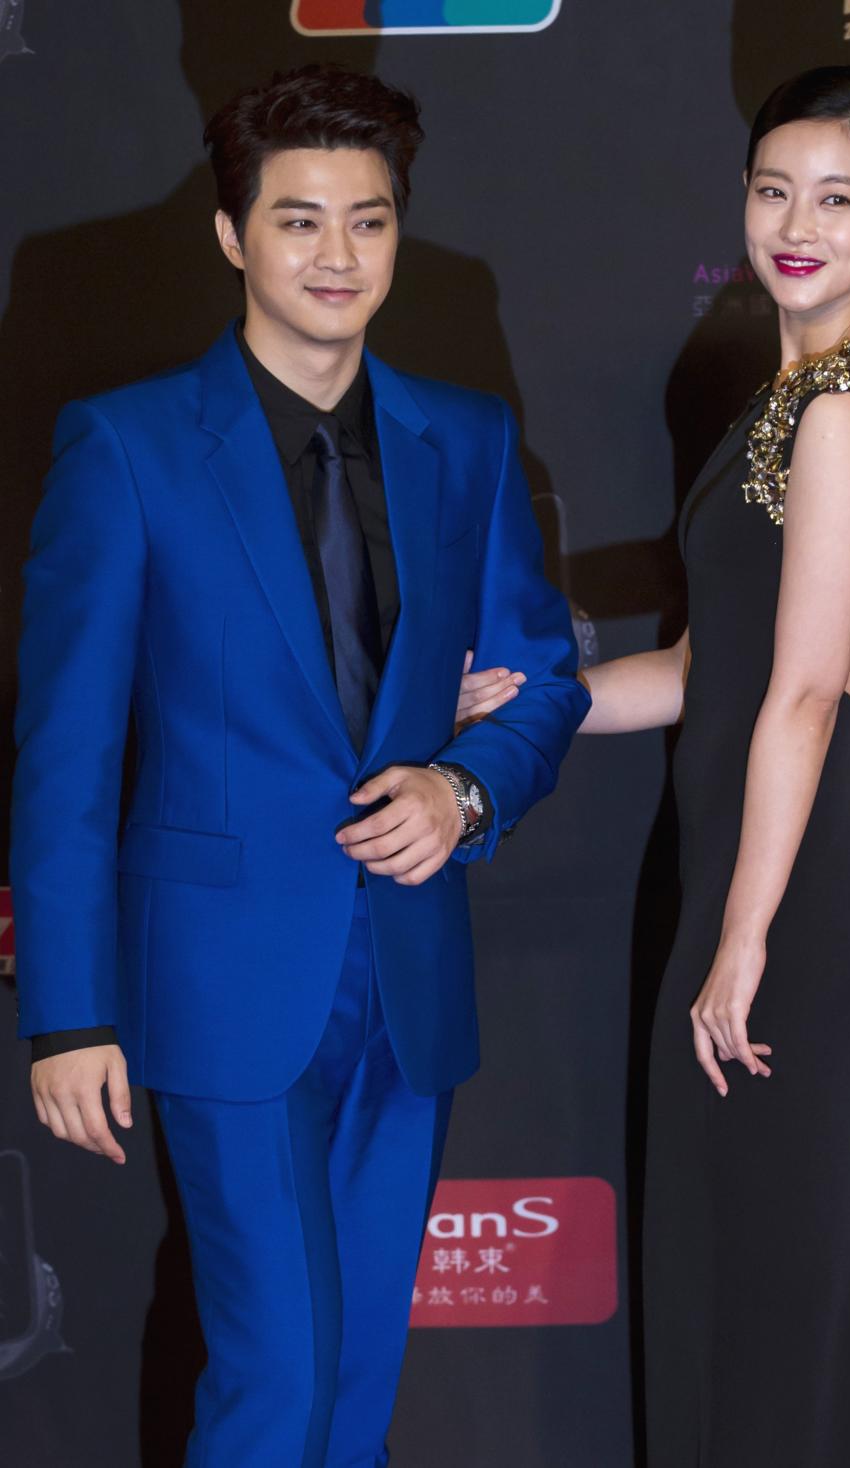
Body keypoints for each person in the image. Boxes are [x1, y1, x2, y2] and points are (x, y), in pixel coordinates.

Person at [11, 65, 588, 1468]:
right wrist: (69, 1015)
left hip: (406, 972)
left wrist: (466, 788)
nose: (338, 257)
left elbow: (542, 680)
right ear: (232, 236)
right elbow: (68, 750)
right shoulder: (129, 446)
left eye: (370, 221)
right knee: (280, 1367)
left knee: (356, 1384)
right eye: (299, 221)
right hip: (220, 978)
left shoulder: (466, 436)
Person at [459, 65, 850, 1466]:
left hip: (782, 880)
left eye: (839, 200)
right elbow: (702, 674)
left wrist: (740, 938)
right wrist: (541, 694)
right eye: (774, 188)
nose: (796, 224)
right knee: (755, 1262)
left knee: (779, 1274)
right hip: (762, 859)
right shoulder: (797, 397)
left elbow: (801, 697)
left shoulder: (846, 410)